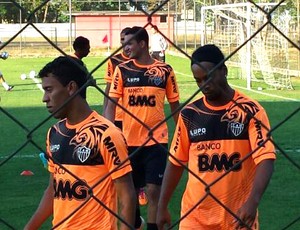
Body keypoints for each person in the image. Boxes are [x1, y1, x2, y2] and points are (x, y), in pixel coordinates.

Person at [156, 44, 276, 230]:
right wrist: (162, 206)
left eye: (208, 77)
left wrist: (253, 202)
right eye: (199, 80)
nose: (204, 85)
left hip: (238, 217)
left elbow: (266, 159)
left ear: (224, 70)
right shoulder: (190, 114)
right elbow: (176, 162)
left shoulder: (250, 111)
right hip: (194, 218)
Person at [24, 56, 136, 230]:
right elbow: (53, 188)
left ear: (70, 88)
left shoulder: (106, 133)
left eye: (49, 90)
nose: (44, 98)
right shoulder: (54, 132)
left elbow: (127, 194)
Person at [105, 26, 180, 230]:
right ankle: (136, 223)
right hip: (128, 141)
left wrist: (184, 136)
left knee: (154, 191)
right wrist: (110, 135)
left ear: (142, 44)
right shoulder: (123, 70)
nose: (125, 47)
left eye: (129, 43)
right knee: (130, 192)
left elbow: (175, 106)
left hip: (157, 140)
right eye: (123, 44)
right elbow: (110, 105)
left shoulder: (165, 71)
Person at [103, 27, 131, 130]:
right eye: (122, 39)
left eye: (128, 40)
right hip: (117, 114)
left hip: (134, 114)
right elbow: (108, 87)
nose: (124, 42)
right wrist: (105, 110)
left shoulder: (139, 60)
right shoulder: (114, 60)